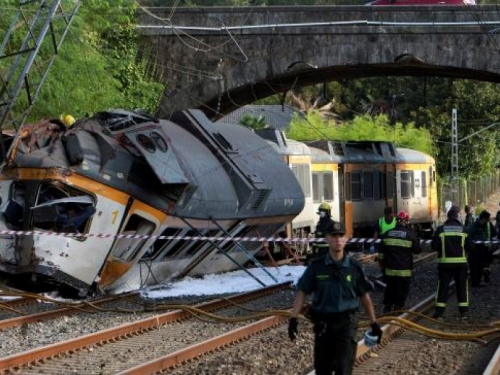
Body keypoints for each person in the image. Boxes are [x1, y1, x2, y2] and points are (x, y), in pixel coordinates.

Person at [288, 221, 382, 375]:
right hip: (323, 325)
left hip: (346, 324)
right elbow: (302, 292)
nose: (338, 239)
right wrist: (293, 319)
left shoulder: (354, 267)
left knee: (343, 368)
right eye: (333, 236)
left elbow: (364, 296)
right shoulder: (316, 267)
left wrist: (374, 323)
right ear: (326, 239)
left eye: (341, 236)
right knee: (323, 369)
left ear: (346, 239)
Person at [378, 210, 421, 314]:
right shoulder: (410, 235)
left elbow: (380, 256)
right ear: (406, 221)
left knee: (390, 289)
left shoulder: (387, 234)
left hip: (390, 270)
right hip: (404, 271)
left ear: (396, 221)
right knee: (402, 290)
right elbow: (418, 250)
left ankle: (387, 308)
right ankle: (398, 308)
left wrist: (383, 269)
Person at [431, 205, 470, 320]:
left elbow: (434, 246)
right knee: (462, 287)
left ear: (447, 217)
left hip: (445, 264)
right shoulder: (463, 229)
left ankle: (439, 313)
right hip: (461, 265)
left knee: (443, 287)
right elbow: (470, 247)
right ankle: (464, 313)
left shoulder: (440, 229)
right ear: (457, 217)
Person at [467, 210, 497, 287]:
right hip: (474, 250)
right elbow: (468, 235)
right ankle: (475, 283)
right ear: (482, 218)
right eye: (486, 220)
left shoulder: (485, 225)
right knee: (474, 266)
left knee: (480, 266)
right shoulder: (474, 226)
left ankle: (478, 282)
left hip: (483, 249)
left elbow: (493, 234)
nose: (487, 221)